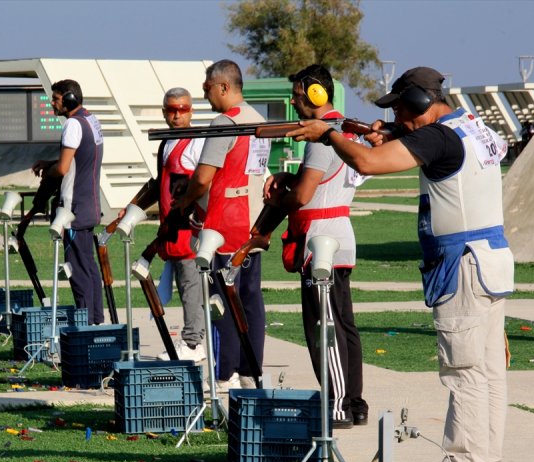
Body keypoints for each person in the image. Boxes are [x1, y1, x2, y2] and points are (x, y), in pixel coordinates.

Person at [287, 67, 513, 462]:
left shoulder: (435, 137)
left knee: (463, 368)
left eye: (403, 109)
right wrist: (395, 133)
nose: (400, 117)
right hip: (490, 260)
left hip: (460, 261)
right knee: (487, 369)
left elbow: (367, 162)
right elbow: (437, 147)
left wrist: (329, 134)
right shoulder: (471, 126)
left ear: (423, 103)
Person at [264, 65, 368, 429]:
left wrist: (279, 198)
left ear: (316, 96)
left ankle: (337, 405)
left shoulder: (324, 138)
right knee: (343, 324)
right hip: (338, 234)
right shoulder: (344, 132)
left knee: (323, 326)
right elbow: (319, 183)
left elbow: (305, 195)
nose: (293, 100)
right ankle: (353, 403)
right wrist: (288, 178)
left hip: (320, 239)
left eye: (297, 94)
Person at [172, 59, 270, 390]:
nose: (205, 94)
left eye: (206, 88)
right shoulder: (258, 119)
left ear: (223, 87)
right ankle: (249, 371)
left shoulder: (223, 122)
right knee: (251, 299)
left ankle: (224, 374)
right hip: (254, 223)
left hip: (225, 224)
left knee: (222, 300)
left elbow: (202, 178)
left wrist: (184, 202)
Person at [117, 87, 206, 362]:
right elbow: (159, 184)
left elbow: (204, 183)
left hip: (188, 226)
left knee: (192, 284)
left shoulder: (197, 143)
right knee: (183, 281)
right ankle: (192, 339)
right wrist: (132, 206)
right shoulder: (166, 143)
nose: (177, 115)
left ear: (191, 111)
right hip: (171, 226)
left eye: (183, 109)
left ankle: (193, 343)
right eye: (171, 110)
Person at [21, 79, 104, 326]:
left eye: (55, 99)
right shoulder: (91, 120)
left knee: (77, 272)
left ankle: (86, 324)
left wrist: (48, 174)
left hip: (72, 208)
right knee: (89, 270)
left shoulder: (72, 125)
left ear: (68, 99)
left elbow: (65, 167)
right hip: (89, 204)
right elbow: (77, 159)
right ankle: (96, 321)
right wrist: (50, 163)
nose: (52, 105)